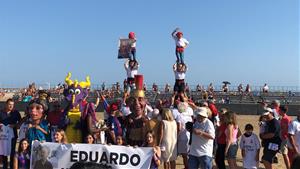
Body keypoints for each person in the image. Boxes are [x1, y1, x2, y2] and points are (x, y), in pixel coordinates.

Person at [0, 98, 21, 169]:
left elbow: (20, 122)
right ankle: (5, 166)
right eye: (9, 104)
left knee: (12, 152)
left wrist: (15, 125)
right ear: (6, 104)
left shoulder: (16, 112)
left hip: (13, 136)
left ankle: (12, 166)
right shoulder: (1, 112)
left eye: (12, 105)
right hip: (3, 136)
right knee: (3, 151)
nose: (11, 106)